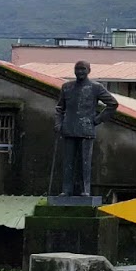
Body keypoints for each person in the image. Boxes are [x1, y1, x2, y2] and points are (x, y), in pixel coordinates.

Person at [55, 61, 118, 197]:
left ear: (89, 70)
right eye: (77, 69)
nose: (80, 72)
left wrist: (97, 120)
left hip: (86, 130)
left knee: (85, 162)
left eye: (83, 69)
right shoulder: (66, 87)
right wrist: (58, 124)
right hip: (68, 128)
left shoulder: (96, 87)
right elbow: (60, 108)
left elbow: (112, 104)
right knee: (68, 162)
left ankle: (85, 190)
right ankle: (66, 190)